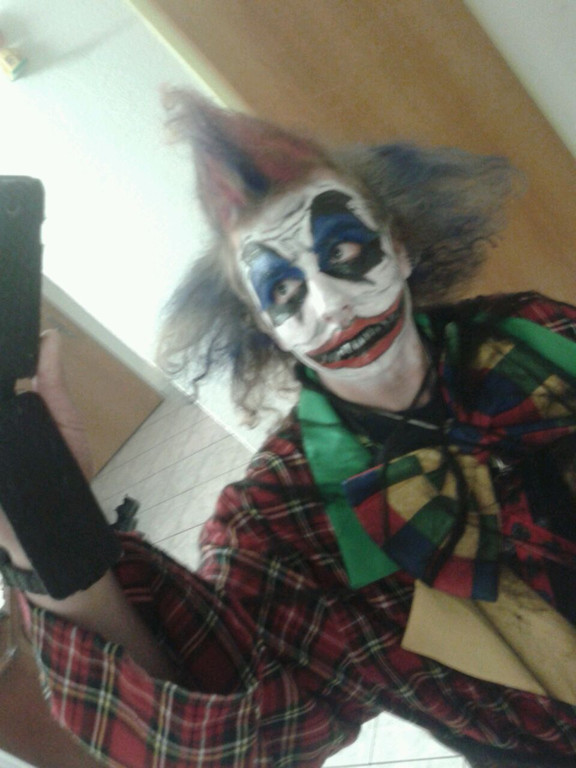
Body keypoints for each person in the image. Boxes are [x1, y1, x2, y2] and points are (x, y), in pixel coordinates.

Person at [1, 90, 576, 768]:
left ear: (398, 245)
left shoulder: (537, 331)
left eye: (345, 248)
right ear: (264, 326)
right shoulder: (278, 524)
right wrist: (46, 515)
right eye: (282, 290)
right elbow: (230, 741)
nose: (330, 305)